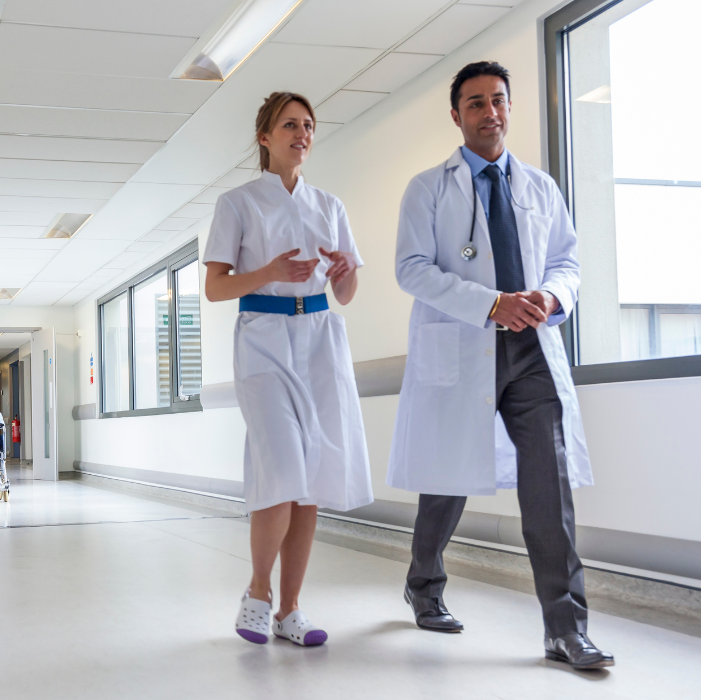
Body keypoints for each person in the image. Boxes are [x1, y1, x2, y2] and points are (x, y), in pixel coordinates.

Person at [388, 61, 613, 669]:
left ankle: (565, 628)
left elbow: (567, 261)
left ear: (509, 108)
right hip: (464, 346)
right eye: (476, 102)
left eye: (498, 100)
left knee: (550, 488)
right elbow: (412, 268)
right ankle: (423, 584)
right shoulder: (429, 188)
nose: (490, 112)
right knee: (448, 479)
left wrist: (550, 296)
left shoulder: (539, 187)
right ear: (457, 114)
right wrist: (491, 303)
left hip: (532, 350)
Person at [204, 92, 372, 647]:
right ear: (265, 137)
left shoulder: (330, 205)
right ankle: (257, 592)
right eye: (289, 125)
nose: (301, 133)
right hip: (264, 339)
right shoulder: (238, 202)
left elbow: (345, 293)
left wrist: (345, 271)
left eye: (308, 125)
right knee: (280, 466)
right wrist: (269, 270)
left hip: (321, 338)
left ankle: (291, 609)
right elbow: (215, 287)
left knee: (312, 479)